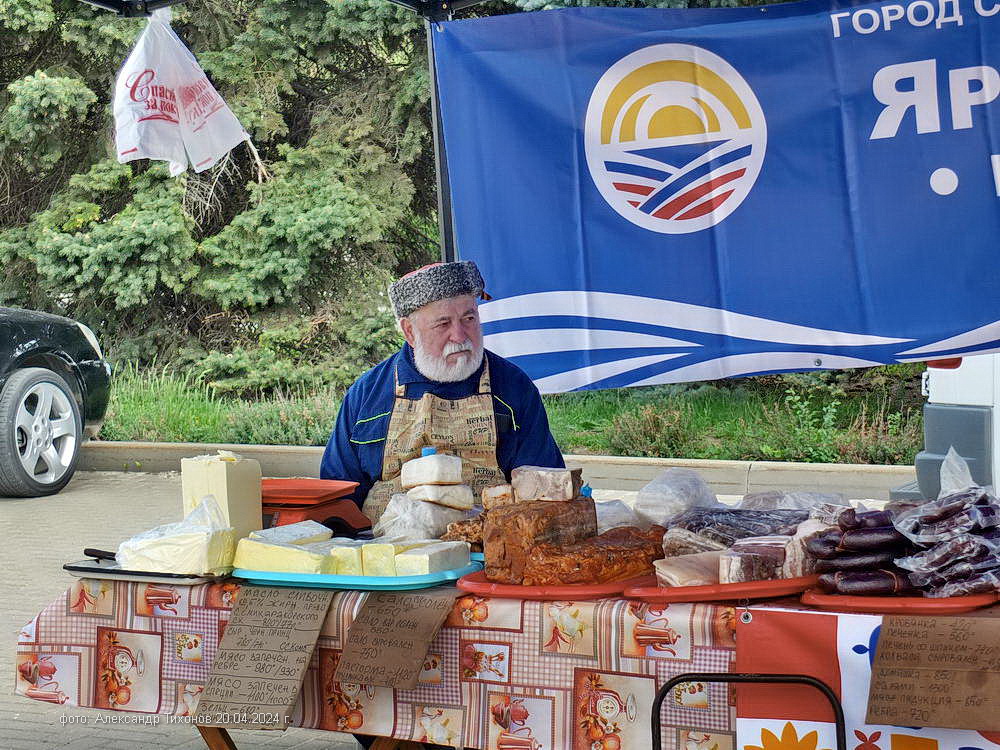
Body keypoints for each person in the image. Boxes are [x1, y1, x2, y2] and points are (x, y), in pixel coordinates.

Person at [321, 260, 564, 523]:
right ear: (409, 331)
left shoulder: (514, 387)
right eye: (443, 324)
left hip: (492, 543)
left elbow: (545, 488)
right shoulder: (367, 394)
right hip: (383, 544)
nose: (460, 336)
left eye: (469, 319)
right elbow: (337, 494)